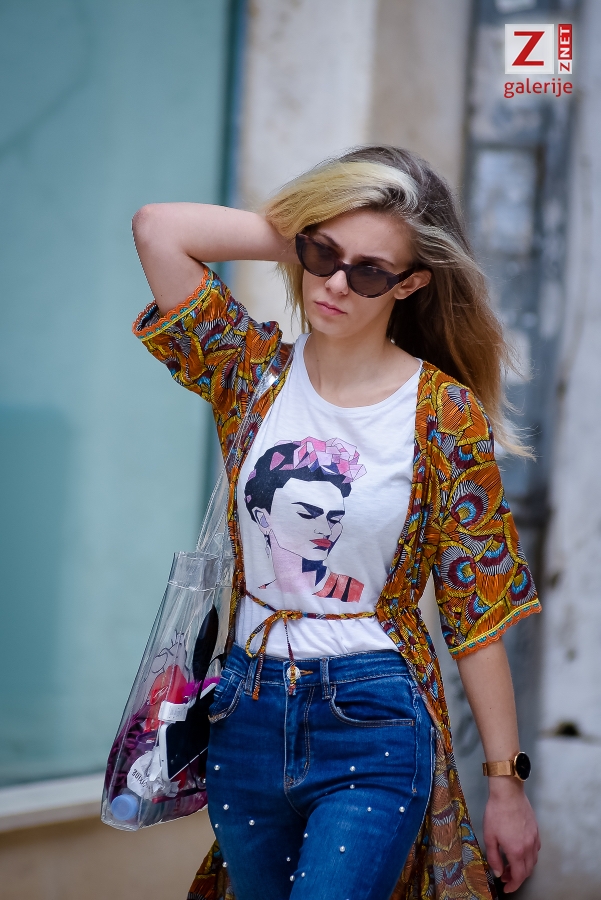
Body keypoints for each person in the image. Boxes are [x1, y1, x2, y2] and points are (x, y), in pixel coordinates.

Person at [131, 146, 541, 900]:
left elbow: (477, 609)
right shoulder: (250, 372)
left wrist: (505, 784)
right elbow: (159, 229)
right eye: (323, 255)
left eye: (371, 272)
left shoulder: (442, 413)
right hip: (245, 713)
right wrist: (307, 237)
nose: (336, 284)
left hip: (374, 717)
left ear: (410, 283)